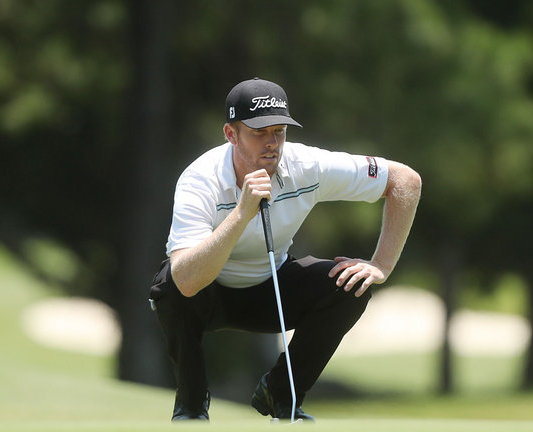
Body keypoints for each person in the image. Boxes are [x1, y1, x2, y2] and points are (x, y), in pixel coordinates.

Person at [149, 77, 421, 422]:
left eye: (278, 131)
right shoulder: (200, 180)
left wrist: (381, 264)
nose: (272, 143)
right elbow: (187, 281)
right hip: (207, 293)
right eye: (258, 132)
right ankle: (190, 406)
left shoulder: (306, 166)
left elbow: (404, 181)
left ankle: (282, 394)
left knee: (350, 286)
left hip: (270, 288)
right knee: (169, 285)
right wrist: (242, 213)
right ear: (231, 134)